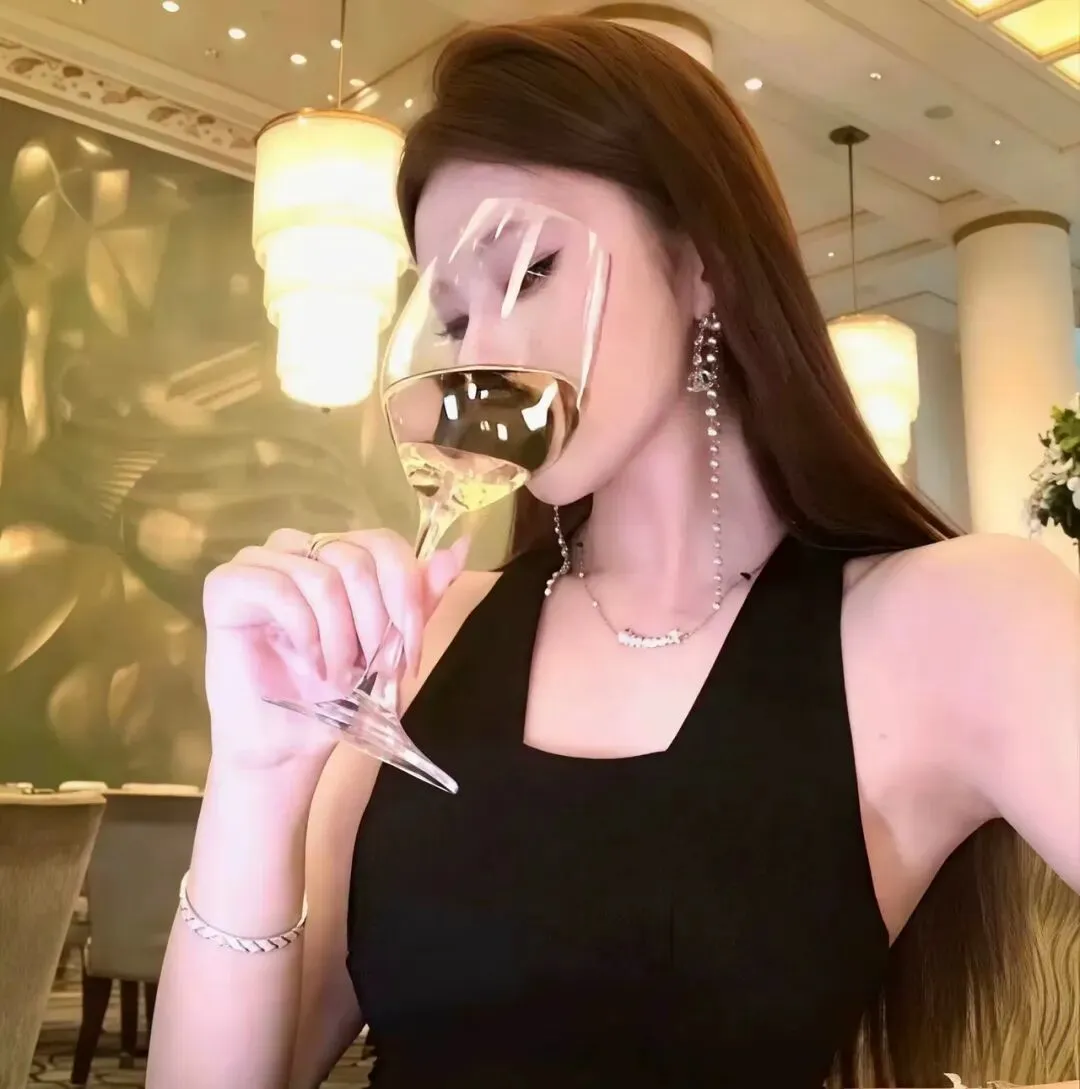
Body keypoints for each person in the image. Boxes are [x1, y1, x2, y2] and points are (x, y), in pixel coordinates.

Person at [147, 17, 1080, 1089]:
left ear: (703, 261)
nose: (484, 358)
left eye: (531, 271)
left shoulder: (956, 620)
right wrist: (256, 778)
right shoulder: (426, 639)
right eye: (451, 320)